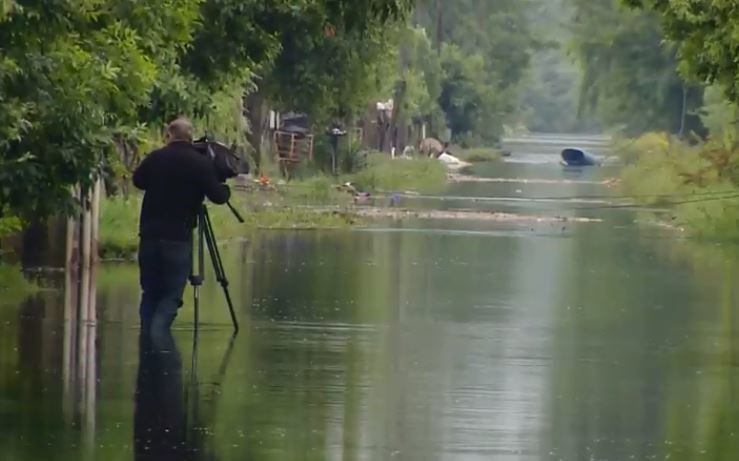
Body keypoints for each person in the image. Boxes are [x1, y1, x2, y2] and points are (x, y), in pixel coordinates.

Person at [133, 117, 231, 334]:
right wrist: (224, 187)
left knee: (150, 293)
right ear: (190, 137)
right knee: (171, 295)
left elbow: (138, 181)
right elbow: (218, 196)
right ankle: (158, 339)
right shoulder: (199, 163)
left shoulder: (156, 157)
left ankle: (147, 342)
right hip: (177, 239)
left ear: (169, 135)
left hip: (149, 236)